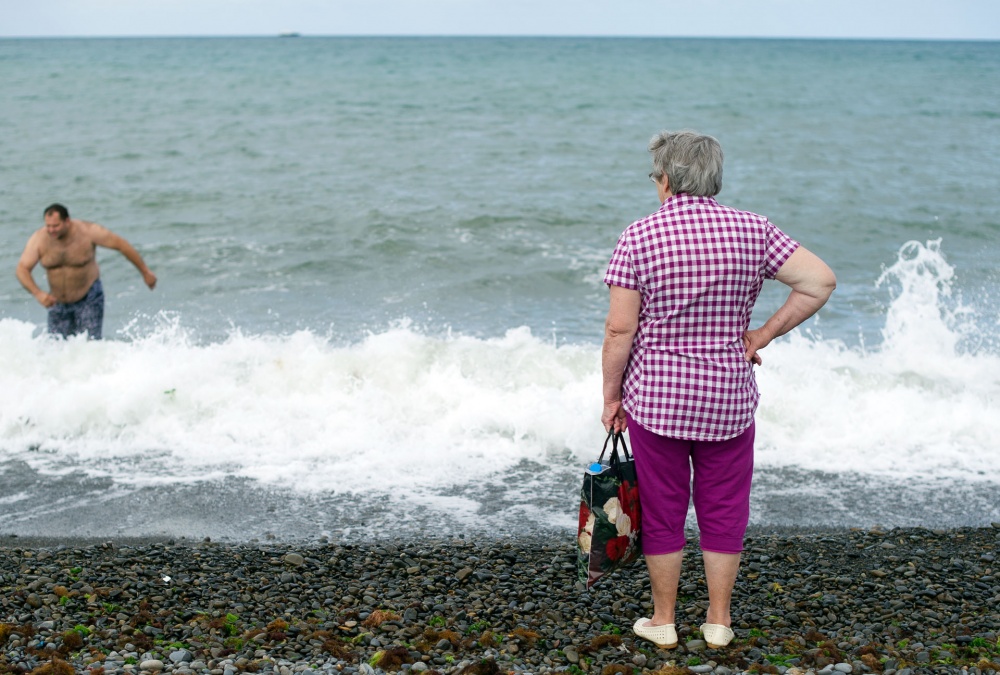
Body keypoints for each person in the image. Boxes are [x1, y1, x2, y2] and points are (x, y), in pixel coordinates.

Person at [601, 131, 835, 650]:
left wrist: (611, 397)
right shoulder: (753, 230)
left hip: (657, 398)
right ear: (713, 178)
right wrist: (762, 335)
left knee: (663, 510)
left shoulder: (639, 236)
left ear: (665, 179)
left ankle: (663, 621)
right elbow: (819, 281)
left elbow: (620, 331)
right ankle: (718, 622)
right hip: (728, 396)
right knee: (724, 507)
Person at [16, 203, 158, 339]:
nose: (51, 230)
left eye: (56, 226)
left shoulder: (88, 231)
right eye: (48, 226)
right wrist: (38, 293)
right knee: (57, 350)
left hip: (88, 297)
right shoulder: (39, 239)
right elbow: (22, 269)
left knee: (90, 346)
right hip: (57, 304)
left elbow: (121, 245)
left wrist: (145, 272)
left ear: (67, 221)